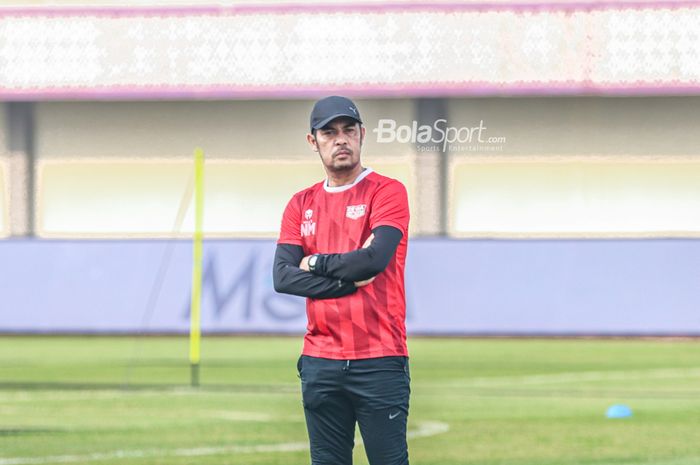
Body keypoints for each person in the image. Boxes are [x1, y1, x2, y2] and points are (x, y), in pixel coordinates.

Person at [273, 95, 411, 465]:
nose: (341, 139)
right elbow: (283, 277)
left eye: (348, 130)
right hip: (320, 361)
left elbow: (374, 260)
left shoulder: (387, 191)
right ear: (313, 141)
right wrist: (348, 281)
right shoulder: (300, 204)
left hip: (379, 357)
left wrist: (314, 261)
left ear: (362, 134)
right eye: (329, 132)